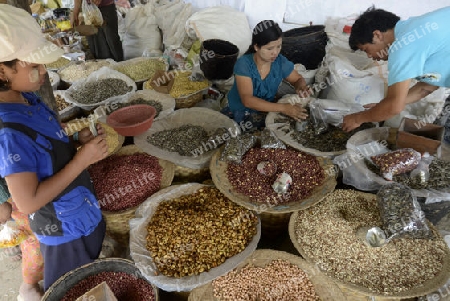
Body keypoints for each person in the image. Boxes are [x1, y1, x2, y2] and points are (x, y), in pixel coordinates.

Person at [0, 4, 109, 291]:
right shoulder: (8, 133)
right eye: (34, 66)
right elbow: (27, 202)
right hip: (64, 232)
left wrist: (76, 145)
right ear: (2, 72)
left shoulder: (26, 99)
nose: (44, 72)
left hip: (81, 211)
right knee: (73, 288)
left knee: (92, 275)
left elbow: (46, 153)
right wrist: (81, 161)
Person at [342, 6, 450, 132]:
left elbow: (394, 107)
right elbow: (426, 87)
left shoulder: (402, 47)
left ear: (377, 35)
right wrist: (383, 107)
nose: (370, 56)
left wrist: (357, 119)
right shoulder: (413, 30)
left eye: (366, 50)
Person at [221, 20, 310, 130]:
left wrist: (301, 87)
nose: (275, 52)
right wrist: (284, 108)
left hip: (265, 109)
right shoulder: (243, 64)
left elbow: (297, 79)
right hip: (239, 110)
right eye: (270, 48)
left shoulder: (279, 62)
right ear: (256, 47)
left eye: (278, 46)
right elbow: (247, 100)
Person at [0, 198, 44, 301]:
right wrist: (2, 202)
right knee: (36, 241)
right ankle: (29, 286)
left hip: (22, 197)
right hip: (21, 200)